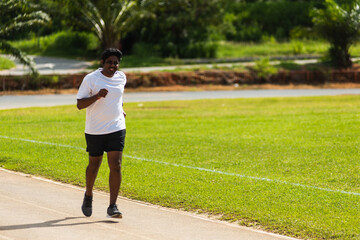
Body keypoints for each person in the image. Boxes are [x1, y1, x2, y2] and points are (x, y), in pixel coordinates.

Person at [76, 48, 126, 218]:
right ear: (102, 63)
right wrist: (97, 96)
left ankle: (112, 206)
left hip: (116, 127)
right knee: (94, 164)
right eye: (110, 62)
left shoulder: (121, 77)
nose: (113, 65)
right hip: (95, 129)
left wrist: (121, 109)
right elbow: (80, 104)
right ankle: (88, 195)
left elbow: (117, 98)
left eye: (116, 63)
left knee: (116, 165)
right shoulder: (91, 79)